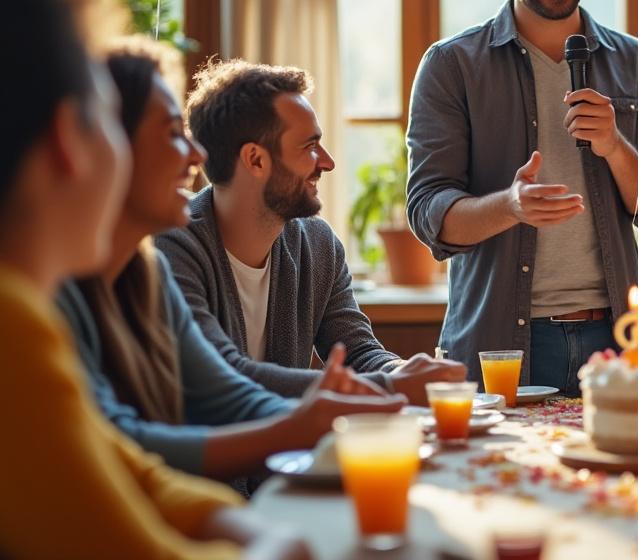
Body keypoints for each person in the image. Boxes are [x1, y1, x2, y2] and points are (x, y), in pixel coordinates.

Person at [0, 0, 307, 558]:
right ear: (68, 139)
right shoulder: (14, 326)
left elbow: (132, 472)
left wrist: (248, 525)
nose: (196, 155)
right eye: (105, 118)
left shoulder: (121, 277)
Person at [59, 41, 404, 483]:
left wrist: (389, 379)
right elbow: (125, 447)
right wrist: (376, 393)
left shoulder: (149, 273)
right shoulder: (118, 268)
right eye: (171, 133)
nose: (196, 155)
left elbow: (225, 394)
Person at [406, 0, 638, 394]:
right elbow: (428, 213)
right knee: (504, 477)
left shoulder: (634, 62)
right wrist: (509, 206)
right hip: (502, 346)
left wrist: (614, 147)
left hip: (618, 339)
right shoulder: (452, 66)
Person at [156, 59, 465, 405]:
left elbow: (359, 353)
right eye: (310, 147)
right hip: (206, 454)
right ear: (256, 160)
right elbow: (221, 374)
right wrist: (390, 386)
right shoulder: (173, 247)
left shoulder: (318, 245)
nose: (328, 162)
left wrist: (403, 371)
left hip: (290, 451)